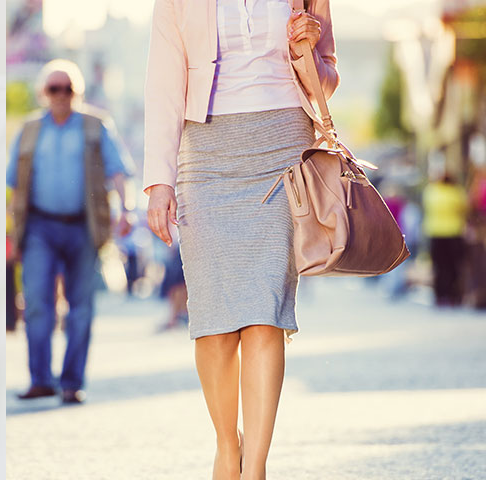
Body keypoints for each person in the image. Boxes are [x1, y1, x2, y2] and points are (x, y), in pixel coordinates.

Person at [144, 1, 337, 478]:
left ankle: (254, 467)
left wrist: (304, 49)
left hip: (282, 144)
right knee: (212, 322)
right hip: (205, 152)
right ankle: (227, 444)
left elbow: (328, 78)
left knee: (265, 314)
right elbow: (164, 81)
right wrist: (159, 180)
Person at [7, 59, 134, 404]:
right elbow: (12, 183)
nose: (61, 95)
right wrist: (9, 229)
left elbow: (118, 172)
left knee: (81, 306)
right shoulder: (30, 129)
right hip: (38, 227)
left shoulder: (96, 126)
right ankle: (40, 379)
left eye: (68, 89)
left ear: (77, 92)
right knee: (37, 305)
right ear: (44, 93)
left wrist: (127, 209)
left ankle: (71, 382)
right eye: (54, 88)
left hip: (83, 226)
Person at [422, 172, 469, 307]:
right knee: (453, 266)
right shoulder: (457, 192)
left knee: (438, 266)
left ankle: (439, 295)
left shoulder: (431, 192)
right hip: (454, 232)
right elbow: (464, 209)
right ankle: (453, 295)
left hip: (435, 232)